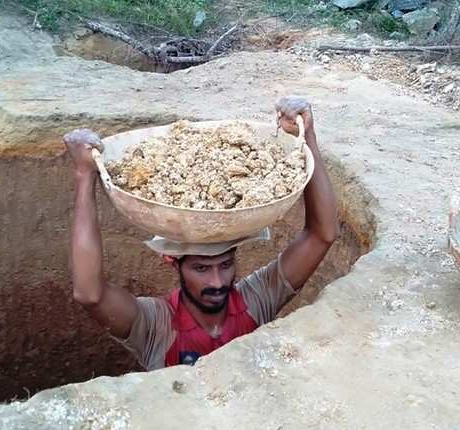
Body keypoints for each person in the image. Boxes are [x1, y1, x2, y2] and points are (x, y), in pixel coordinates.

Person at [63, 97, 338, 369]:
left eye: (226, 264)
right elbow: (90, 294)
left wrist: (306, 137)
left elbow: (321, 235)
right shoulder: (155, 325)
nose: (218, 282)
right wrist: (84, 176)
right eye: (202, 268)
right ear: (173, 261)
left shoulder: (256, 299)